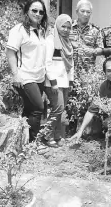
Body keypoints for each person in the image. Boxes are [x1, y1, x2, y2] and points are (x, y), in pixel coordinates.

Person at [6, 0, 48, 142]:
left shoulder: (41, 30)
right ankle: (34, 140)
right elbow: (11, 52)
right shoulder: (18, 30)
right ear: (27, 11)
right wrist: (15, 74)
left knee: (30, 108)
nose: (37, 14)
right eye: (34, 10)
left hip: (39, 77)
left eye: (41, 12)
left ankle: (22, 139)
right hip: (25, 76)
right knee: (38, 107)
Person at [69, 56, 111, 143]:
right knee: (107, 123)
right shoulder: (104, 86)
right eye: (109, 71)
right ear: (105, 73)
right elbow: (91, 110)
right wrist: (80, 130)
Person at [44, 14, 74, 147]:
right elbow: (47, 63)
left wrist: (71, 81)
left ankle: (57, 135)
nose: (66, 30)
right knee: (58, 108)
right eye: (63, 26)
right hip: (53, 83)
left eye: (68, 27)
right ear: (57, 25)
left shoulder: (67, 42)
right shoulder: (51, 40)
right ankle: (47, 135)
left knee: (60, 110)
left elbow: (70, 63)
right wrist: (53, 83)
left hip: (65, 82)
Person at [69, 0, 104, 72]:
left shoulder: (96, 30)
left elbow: (101, 48)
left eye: (88, 12)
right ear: (77, 12)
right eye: (82, 11)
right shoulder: (68, 27)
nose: (85, 14)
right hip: (70, 70)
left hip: (87, 71)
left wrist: (93, 51)